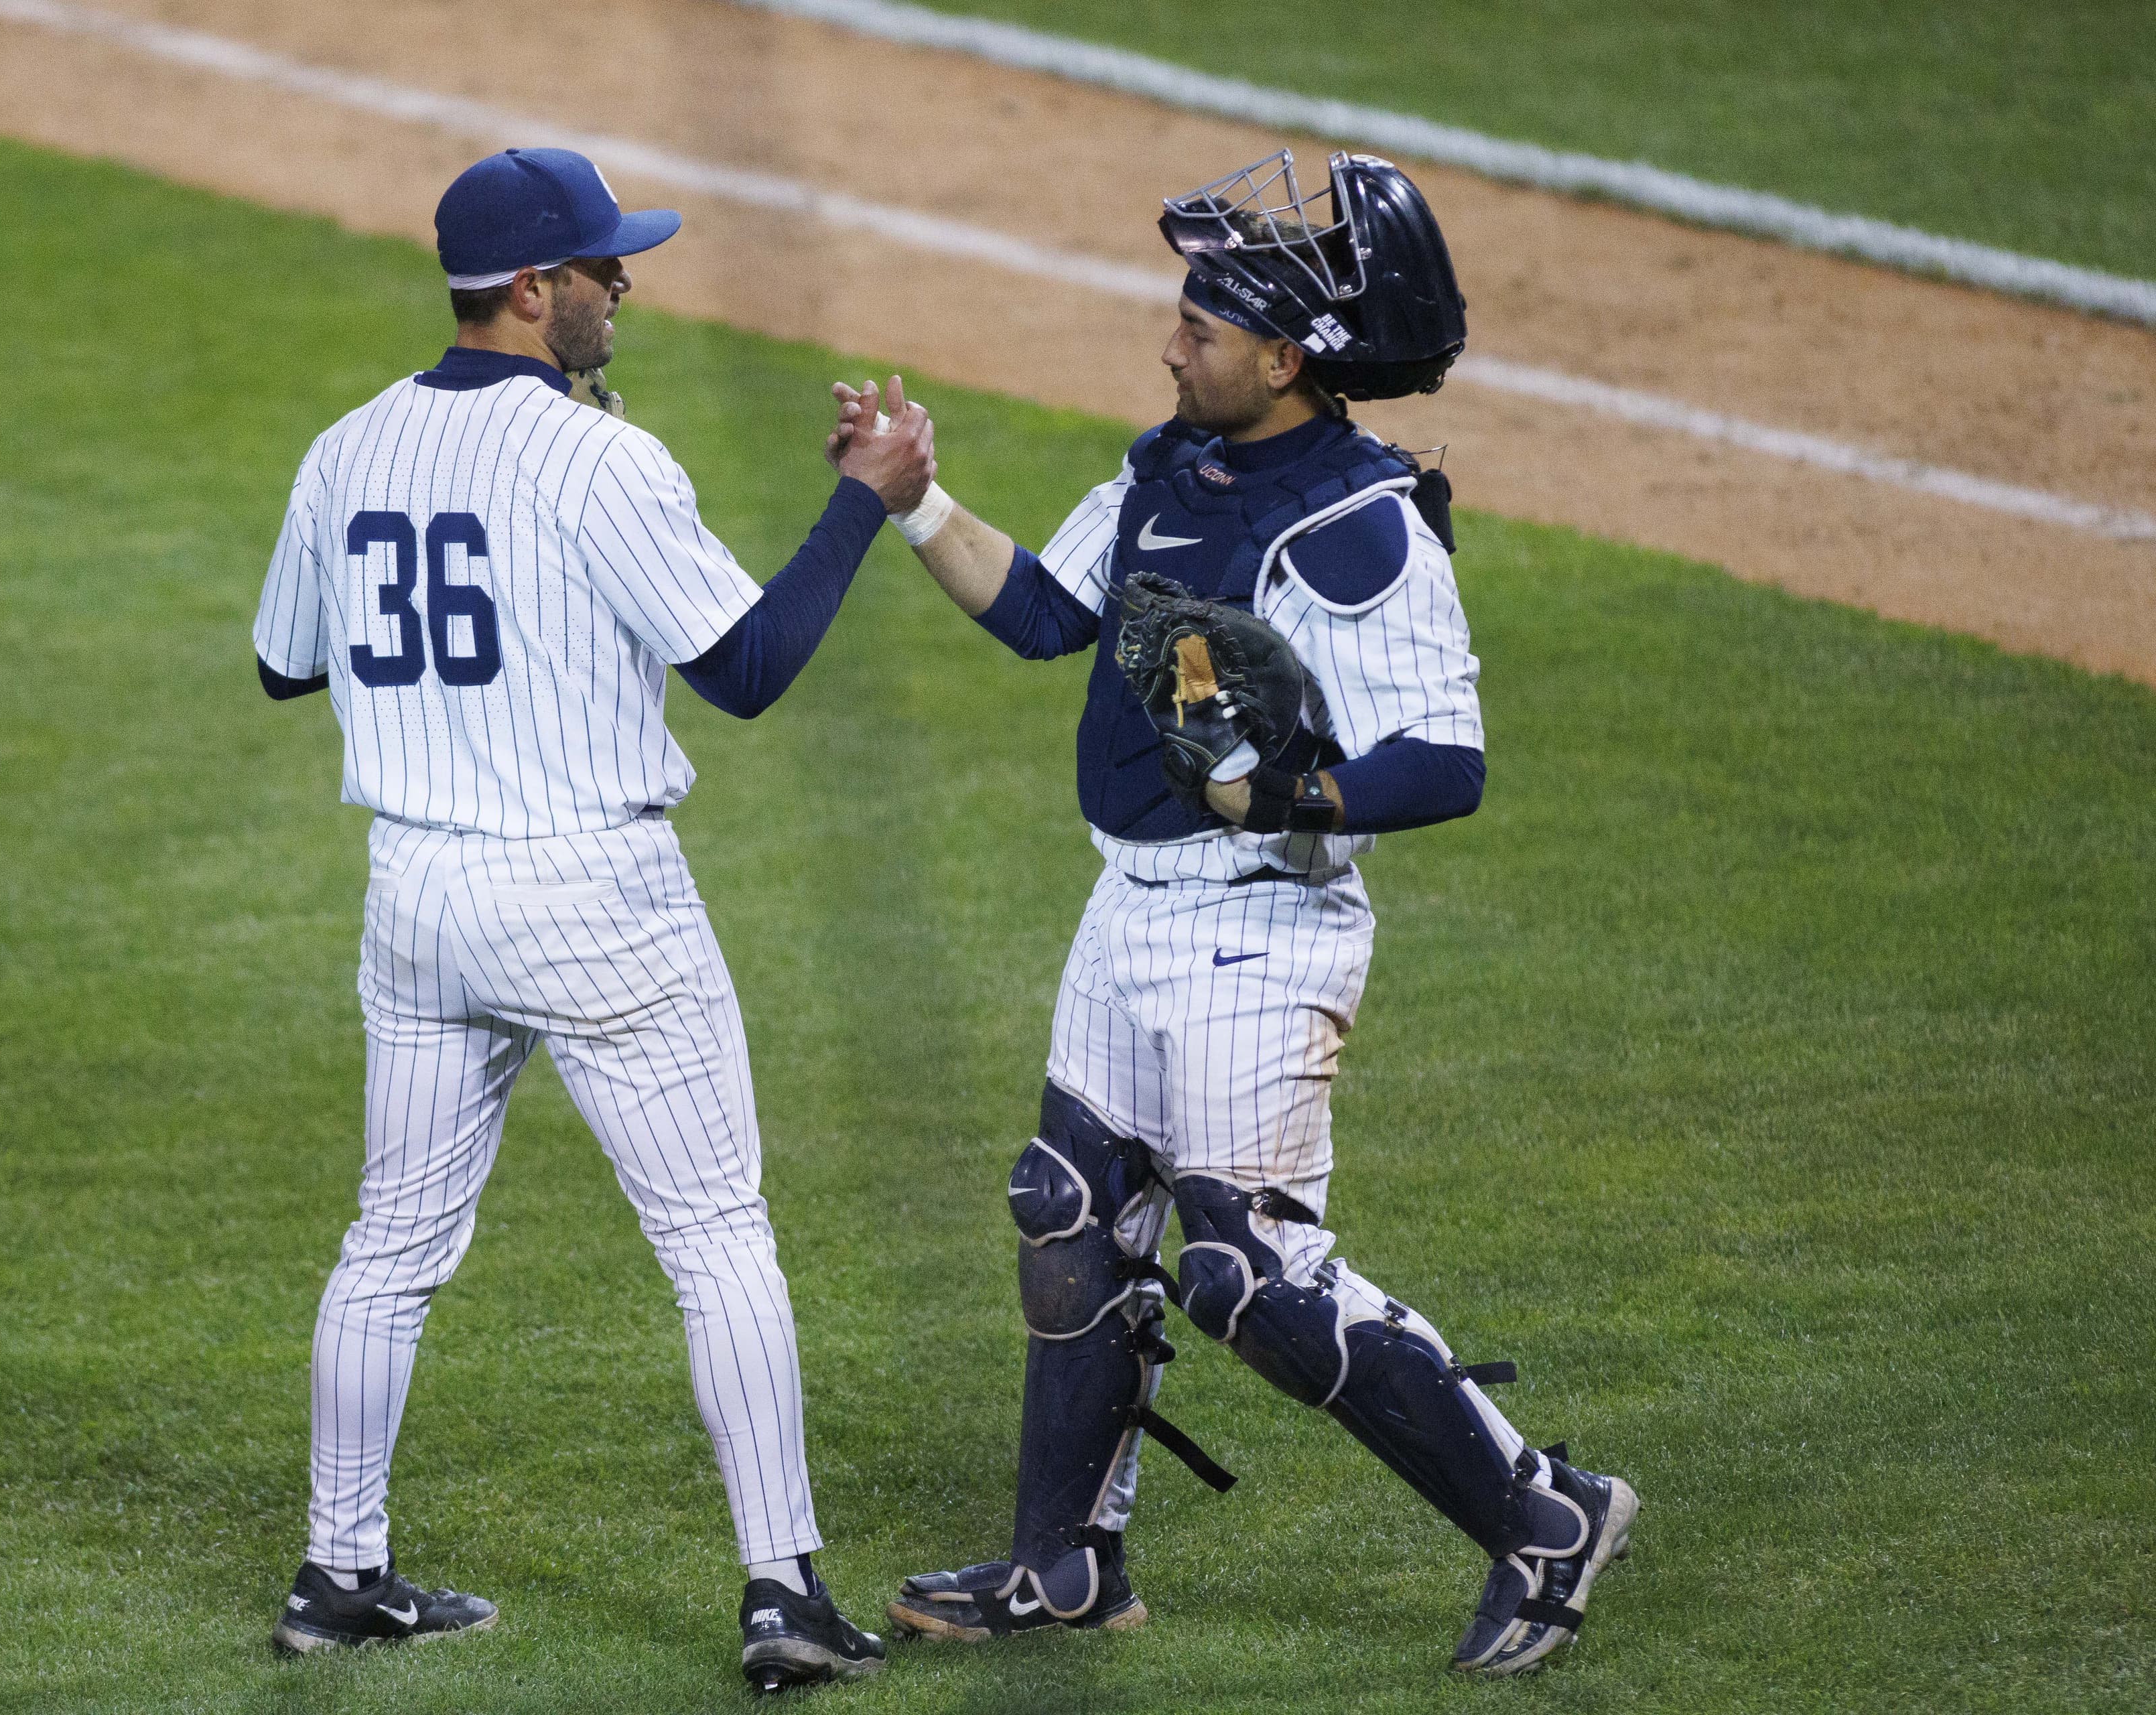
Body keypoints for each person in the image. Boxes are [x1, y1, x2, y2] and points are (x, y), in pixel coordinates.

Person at [841, 150, 1636, 1678]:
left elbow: (1447, 759)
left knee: (1247, 1276)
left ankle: (1547, 1513)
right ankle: (1064, 1563)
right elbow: (1044, 614)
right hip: (1127, 906)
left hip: (1259, 928)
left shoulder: (1360, 523)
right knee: (1070, 1216)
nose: (1170, 343)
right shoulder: (1169, 468)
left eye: (1201, 327)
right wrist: (913, 497)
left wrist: (1292, 801)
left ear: (1285, 360)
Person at [250, 145, 930, 1691]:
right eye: (602, 268)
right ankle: (783, 1593)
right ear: (528, 289)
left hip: (417, 896)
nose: (625, 288)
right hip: (591, 898)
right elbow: (746, 672)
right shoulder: (601, 461)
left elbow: (288, 664)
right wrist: (861, 504)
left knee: (393, 1239)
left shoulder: (344, 445)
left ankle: (338, 1571)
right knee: (715, 1232)